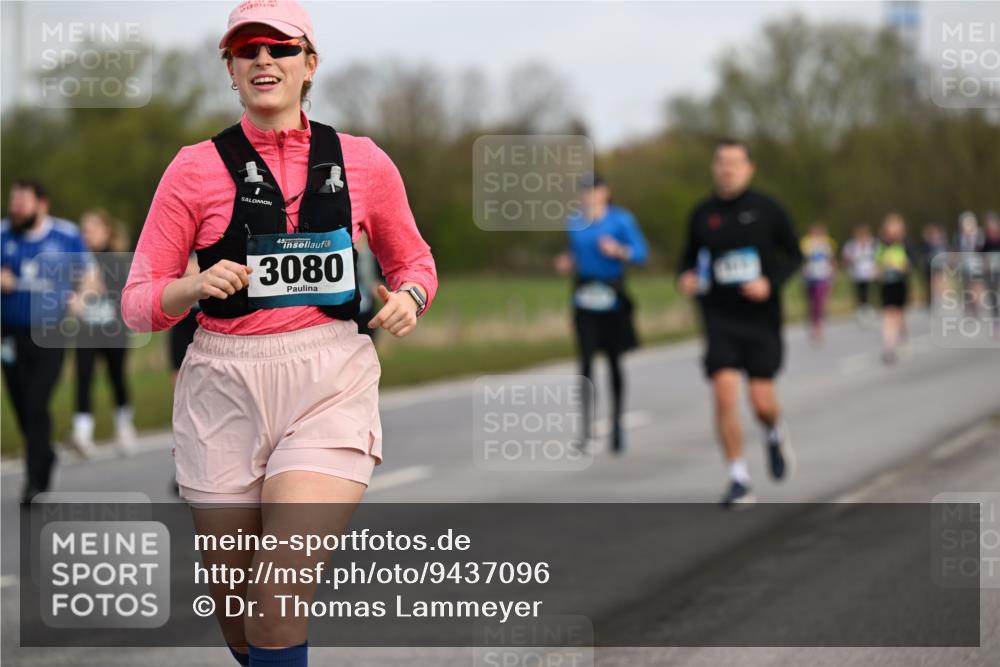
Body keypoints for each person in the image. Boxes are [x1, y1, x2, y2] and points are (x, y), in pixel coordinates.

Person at [120, 2, 437, 665]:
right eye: (247, 50)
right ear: (231, 70)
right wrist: (189, 287)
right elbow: (137, 301)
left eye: (280, 48)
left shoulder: (364, 162)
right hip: (222, 388)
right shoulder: (192, 169)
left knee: (278, 597)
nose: (264, 58)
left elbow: (415, 261)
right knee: (241, 621)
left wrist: (410, 296)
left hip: (328, 380)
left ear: (309, 65)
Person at [678, 139, 802, 509]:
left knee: (761, 403)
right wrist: (684, 277)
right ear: (714, 168)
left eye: (735, 163)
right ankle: (738, 477)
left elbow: (794, 257)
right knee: (724, 394)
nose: (727, 169)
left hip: (761, 320)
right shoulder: (702, 214)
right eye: (721, 162)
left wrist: (770, 283)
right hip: (720, 318)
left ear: (750, 168)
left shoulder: (768, 210)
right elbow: (687, 260)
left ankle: (774, 432)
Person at [1, 180, 92, 504]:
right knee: (21, 405)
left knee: (37, 403)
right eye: (12, 201)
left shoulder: (65, 236)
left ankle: (34, 481)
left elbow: (89, 276)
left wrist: (81, 297)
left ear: (42, 205)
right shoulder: (3, 235)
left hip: (51, 333)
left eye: (21, 202)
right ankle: (45, 454)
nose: (15, 208)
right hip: (10, 334)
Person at [554, 173, 648, 454]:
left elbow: (642, 254)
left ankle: (617, 424)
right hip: (584, 299)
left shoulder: (622, 220)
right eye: (584, 191)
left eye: (594, 190)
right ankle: (585, 431)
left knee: (614, 363)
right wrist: (567, 262)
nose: (589, 196)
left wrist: (618, 250)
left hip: (613, 299)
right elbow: (576, 256)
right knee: (584, 365)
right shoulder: (574, 222)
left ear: (606, 192)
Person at [71, 209, 137, 457]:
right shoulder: (78, 260)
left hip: (113, 329)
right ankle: (82, 434)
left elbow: (120, 291)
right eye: (83, 230)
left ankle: (124, 426)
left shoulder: (117, 259)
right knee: (84, 377)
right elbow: (71, 291)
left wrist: (98, 286)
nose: (86, 235)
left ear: (105, 231)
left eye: (91, 229)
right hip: (87, 329)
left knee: (116, 377)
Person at [874, 213, 915, 365]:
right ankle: (889, 347)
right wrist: (880, 270)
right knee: (887, 315)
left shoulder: (905, 244)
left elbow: (912, 264)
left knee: (899, 314)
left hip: (901, 284)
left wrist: (899, 266)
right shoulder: (881, 245)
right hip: (886, 285)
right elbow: (876, 264)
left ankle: (903, 339)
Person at [799, 223, 837, 342]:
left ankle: (819, 325)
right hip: (810, 277)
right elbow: (802, 260)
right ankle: (812, 321)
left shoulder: (827, 245)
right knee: (811, 302)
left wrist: (833, 275)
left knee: (819, 300)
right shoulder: (806, 244)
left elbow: (832, 261)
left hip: (823, 276)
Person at [841, 224, 878, 324]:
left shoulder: (873, 243)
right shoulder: (851, 245)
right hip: (857, 273)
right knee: (860, 291)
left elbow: (878, 256)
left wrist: (877, 268)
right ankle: (861, 310)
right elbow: (846, 258)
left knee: (869, 291)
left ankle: (870, 308)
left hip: (870, 272)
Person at [954, 211, 984, 318]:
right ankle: (969, 305)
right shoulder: (959, 236)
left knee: (977, 285)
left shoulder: (979, 234)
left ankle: (977, 305)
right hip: (965, 264)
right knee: (967, 286)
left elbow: (982, 249)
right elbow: (957, 250)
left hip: (977, 264)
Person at [918, 223, 948, 309]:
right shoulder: (926, 244)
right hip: (929, 267)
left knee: (940, 281)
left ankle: (941, 299)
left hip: (939, 266)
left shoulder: (942, 243)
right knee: (931, 284)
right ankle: (932, 300)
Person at [981, 212, 1000, 327]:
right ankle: (996, 318)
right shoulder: (985, 238)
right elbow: (981, 253)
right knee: (993, 294)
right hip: (991, 270)